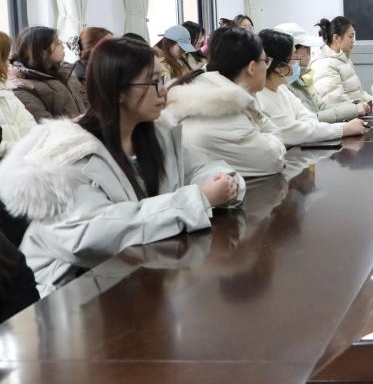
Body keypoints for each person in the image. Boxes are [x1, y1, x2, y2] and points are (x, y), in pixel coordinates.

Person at [0, 37, 245, 295]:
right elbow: (98, 234)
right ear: (118, 91)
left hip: (135, 275)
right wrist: (198, 200)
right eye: (153, 82)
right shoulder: (70, 154)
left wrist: (222, 183)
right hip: (71, 290)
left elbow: (206, 167)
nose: (164, 91)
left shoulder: (156, 133)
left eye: (162, 79)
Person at [163, 26, 287, 178]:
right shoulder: (226, 114)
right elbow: (274, 159)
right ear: (252, 67)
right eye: (265, 61)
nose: (267, 67)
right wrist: (270, 136)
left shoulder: (208, 90)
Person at [255, 29, 366, 147]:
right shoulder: (261, 97)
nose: (297, 61)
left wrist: (341, 127)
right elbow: (294, 132)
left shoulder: (282, 90)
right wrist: (343, 129)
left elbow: (310, 119)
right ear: (279, 67)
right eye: (294, 58)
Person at [274, 22, 361, 123]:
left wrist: (354, 108)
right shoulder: (282, 87)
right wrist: (352, 113)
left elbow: (321, 106)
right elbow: (309, 120)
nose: (309, 51)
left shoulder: (302, 77)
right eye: (305, 47)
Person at [10, 26, 88, 122]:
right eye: (58, 43)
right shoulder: (22, 87)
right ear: (43, 52)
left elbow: (88, 105)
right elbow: (44, 125)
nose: (63, 46)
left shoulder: (67, 73)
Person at [310, 16, 372, 115]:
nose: (353, 41)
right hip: (347, 119)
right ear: (336, 38)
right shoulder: (324, 65)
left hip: (357, 113)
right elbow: (335, 101)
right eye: (350, 36)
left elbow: (359, 93)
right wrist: (360, 108)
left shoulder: (344, 60)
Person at [0, 32, 37, 158]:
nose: (9, 61)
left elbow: (29, 126)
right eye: (5, 57)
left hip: (22, 161)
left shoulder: (6, 90)